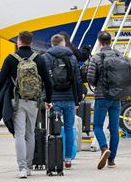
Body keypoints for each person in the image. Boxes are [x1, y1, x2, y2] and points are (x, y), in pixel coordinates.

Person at [0, 31, 53, 179]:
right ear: (31, 43)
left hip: (17, 101)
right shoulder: (39, 58)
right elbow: (48, 81)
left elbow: (0, 79)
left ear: (19, 42)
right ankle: (28, 167)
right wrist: (48, 100)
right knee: (30, 133)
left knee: (19, 134)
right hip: (33, 101)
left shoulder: (10, 58)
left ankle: (21, 168)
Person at [43, 34, 83, 169]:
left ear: (52, 44)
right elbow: (77, 80)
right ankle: (68, 159)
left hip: (54, 99)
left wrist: (46, 99)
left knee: (55, 129)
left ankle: (56, 156)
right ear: (64, 43)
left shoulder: (46, 58)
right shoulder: (72, 58)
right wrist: (77, 99)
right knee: (69, 128)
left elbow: (44, 81)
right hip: (70, 98)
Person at [87, 31, 123, 169]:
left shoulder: (96, 58)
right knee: (114, 128)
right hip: (117, 97)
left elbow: (90, 78)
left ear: (99, 42)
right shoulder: (119, 55)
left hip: (102, 97)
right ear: (110, 41)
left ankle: (103, 149)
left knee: (97, 126)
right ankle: (112, 159)